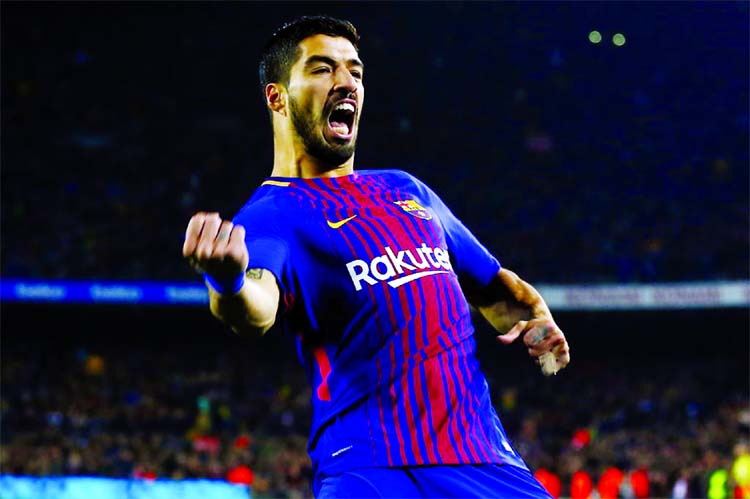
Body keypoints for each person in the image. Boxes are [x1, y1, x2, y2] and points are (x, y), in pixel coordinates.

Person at [182, 15, 570, 498]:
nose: (346, 82)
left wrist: (535, 316)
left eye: (355, 71)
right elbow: (254, 310)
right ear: (276, 97)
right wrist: (226, 282)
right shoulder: (270, 215)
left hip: (485, 462)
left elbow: (494, 289)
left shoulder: (407, 190)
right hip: (371, 470)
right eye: (323, 69)